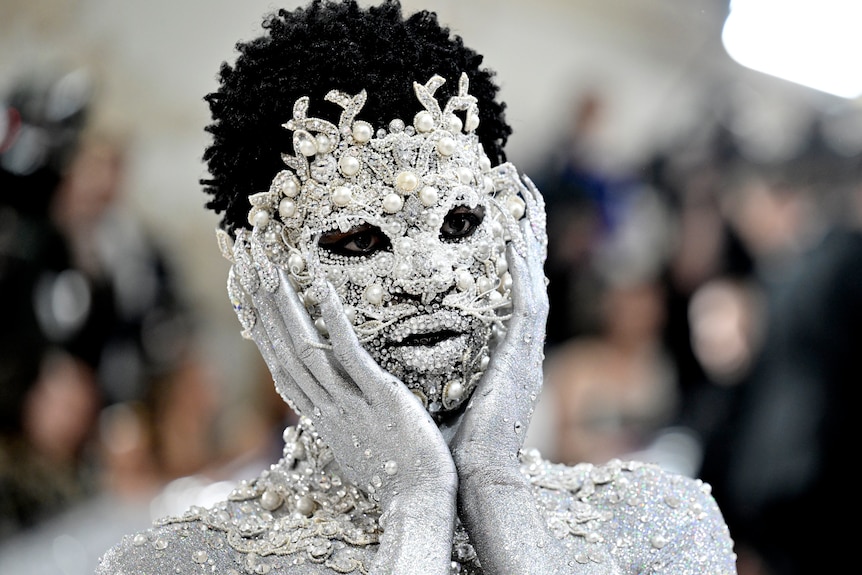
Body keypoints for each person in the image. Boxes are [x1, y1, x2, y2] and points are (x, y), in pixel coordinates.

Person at [96, 2, 737, 574]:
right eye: (358, 241)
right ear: (261, 284)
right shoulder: (174, 565)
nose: (427, 278)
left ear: (519, 233)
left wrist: (496, 492)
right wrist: (416, 503)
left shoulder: (658, 523)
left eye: (458, 224)